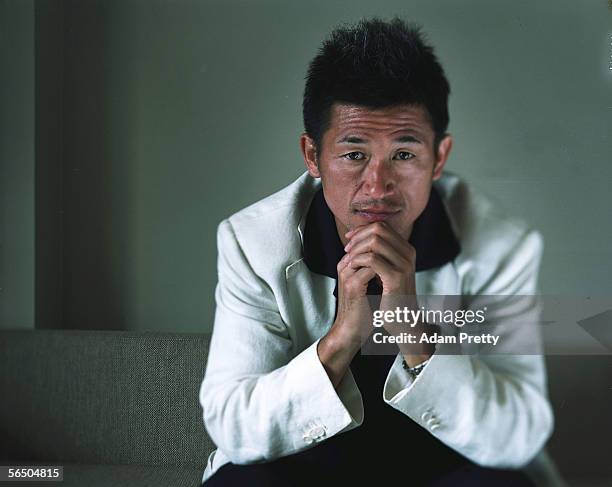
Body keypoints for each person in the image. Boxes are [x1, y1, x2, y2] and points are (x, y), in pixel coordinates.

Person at [199, 17, 553, 486]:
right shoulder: (252, 242)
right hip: (307, 466)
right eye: (354, 153)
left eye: (404, 154)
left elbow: (519, 433)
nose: (377, 186)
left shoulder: (503, 248)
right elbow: (233, 424)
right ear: (312, 156)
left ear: (439, 158)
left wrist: (413, 331)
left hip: (439, 467)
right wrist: (342, 337)